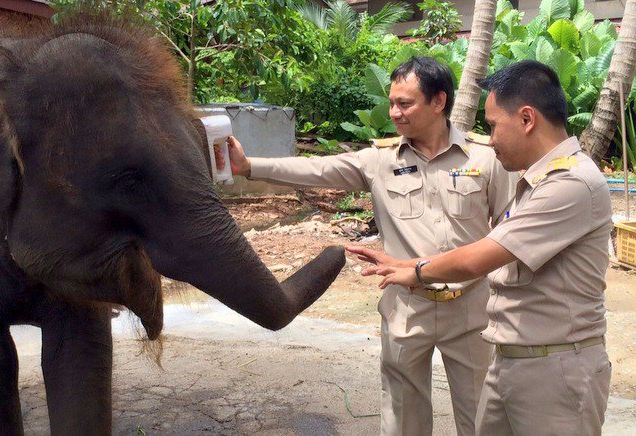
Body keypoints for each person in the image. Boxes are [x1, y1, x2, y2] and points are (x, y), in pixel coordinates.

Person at [217, 57, 517, 436]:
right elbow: (318, 169)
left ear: (438, 102)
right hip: (407, 307)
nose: (394, 112)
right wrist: (249, 167)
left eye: (405, 104)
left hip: (471, 308)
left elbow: (509, 233)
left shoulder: (485, 158)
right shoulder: (379, 160)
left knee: (482, 418)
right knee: (402, 418)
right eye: (392, 102)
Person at [354, 60, 612, 435]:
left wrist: (416, 270)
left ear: (526, 119)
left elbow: (481, 256)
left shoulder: (571, 183)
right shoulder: (535, 182)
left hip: (555, 369)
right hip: (510, 359)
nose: (488, 140)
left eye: (492, 125)